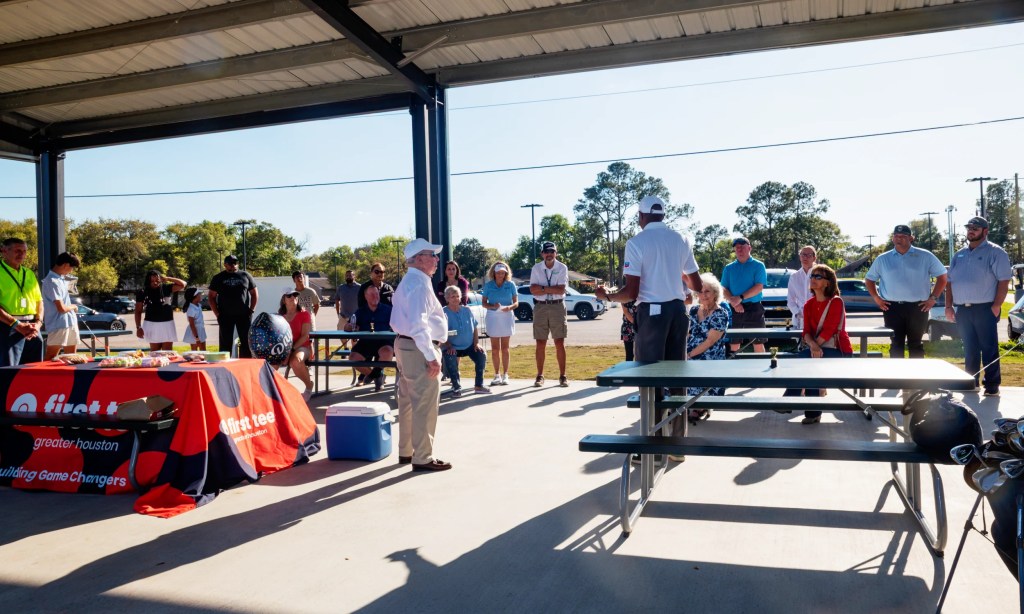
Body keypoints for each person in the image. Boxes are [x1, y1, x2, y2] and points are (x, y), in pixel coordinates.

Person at [391, 238, 451, 472]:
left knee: (407, 401)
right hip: (418, 348)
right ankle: (423, 456)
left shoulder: (410, 281)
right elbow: (419, 324)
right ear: (418, 259)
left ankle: (406, 451)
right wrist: (431, 356)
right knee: (424, 403)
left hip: (406, 345)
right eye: (431, 255)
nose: (436, 259)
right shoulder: (419, 284)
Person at [945, 216, 1012, 396]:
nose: (971, 231)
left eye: (975, 228)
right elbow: (949, 282)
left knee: (989, 348)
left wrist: (997, 305)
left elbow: (1004, 281)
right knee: (969, 348)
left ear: (985, 231)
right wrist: (948, 306)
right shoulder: (959, 255)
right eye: (969, 228)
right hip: (963, 309)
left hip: (985, 308)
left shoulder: (996, 252)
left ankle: (992, 386)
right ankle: (971, 382)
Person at [864, 224, 947, 359]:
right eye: (896, 236)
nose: (899, 239)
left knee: (916, 344)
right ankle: (897, 373)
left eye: (903, 236)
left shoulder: (925, 256)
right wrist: (876, 297)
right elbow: (869, 280)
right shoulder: (882, 259)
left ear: (911, 238)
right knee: (896, 344)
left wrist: (933, 298)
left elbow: (942, 277)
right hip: (892, 307)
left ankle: (916, 373)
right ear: (892, 238)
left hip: (918, 307)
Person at [797, 264, 853, 424]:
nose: (813, 279)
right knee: (809, 365)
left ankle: (791, 397)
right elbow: (806, 332)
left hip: (839, 350)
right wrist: (813, 346)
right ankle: (812, 413)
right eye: (812, 276)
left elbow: (830, 330)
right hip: (816, 350)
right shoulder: (808, 304)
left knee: (805, 360)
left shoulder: (836, 302)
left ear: (828, 282)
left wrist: (815, 347)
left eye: (818, 276)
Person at [685, 273, 730, 422]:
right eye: (700, 291)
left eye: (707, 291)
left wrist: (689, 355)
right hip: (690, 353)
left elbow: (710, 342)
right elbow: (687, 334)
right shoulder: (693, 310)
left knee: (692, 366)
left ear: (715, 293)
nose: (703, 295)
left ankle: (698, 406)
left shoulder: (720, 314)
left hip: (710, 357)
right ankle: (677, 405)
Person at [529, 241, 570, 387]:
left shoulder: (562, 268)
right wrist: (550, 288)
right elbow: (532, 290)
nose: (549, 254)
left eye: (552, 251)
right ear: (542, 254)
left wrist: (542, 288)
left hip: (557, 306)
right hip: (540, 307)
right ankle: (540, 376)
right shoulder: (536, 268)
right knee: (540, 342)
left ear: (556, 253)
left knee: (559, 342)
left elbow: (561, 289)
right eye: (546, 252)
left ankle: (563, 376)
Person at [441, 285, 490, 397]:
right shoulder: (443, 313)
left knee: (481, 354)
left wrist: (476, 343)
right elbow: (441, 333)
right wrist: (448, 345)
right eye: (452, 296)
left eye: (457, 296)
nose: (455, 299)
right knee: (450, 356)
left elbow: (475, 327)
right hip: (451, 347)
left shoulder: (467, 310)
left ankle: (479, 385)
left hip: (469, 346)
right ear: (447, 298)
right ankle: (456, 388)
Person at [0, 238, 43, 366]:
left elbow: (39, 301)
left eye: (24, 251)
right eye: (17, 251)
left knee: (34, 370)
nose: (21, 254)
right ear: (4, 251)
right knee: (9, 370)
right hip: (8, 327)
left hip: (32, 327)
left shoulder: (29, 273)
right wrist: (17, 325)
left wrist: (38, 323)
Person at [721, 236, 767, 353]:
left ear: (749, 248)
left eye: (742, 247)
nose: (739, 250)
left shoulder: (758, 265)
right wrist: (735, 303)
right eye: (737, 248)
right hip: (734, 308)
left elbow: (759, 287)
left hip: (754, 308)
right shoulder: (729, 268)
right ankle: (734, 364)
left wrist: (740, 298)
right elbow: (723, 288)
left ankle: (761, 364)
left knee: (758, 342)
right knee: (734, 342)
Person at [345, 284, 394, 391]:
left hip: (384, 342)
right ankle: (376, 376)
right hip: (366, 342)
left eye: (377, 294)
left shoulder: (388, 310)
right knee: (353, 358)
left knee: (388, 353)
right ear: (366, 296)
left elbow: (399, 325)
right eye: (372, 294)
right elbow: (348, 326)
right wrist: (350, 326)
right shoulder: (360, 311)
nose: (375, 296)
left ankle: (375, 374)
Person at [208, 255, 258, 358]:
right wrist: (217, 314)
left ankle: (246, 364)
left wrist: (251, 310)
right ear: (225, 265)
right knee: (225, 344)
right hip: (225, 315)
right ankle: (224, 364)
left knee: (246, 342)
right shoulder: (218, 278)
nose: (233, 265)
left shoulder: (245, 275)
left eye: (235, 263)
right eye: (230, 263)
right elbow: (211, 297)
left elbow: (254, 293)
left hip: (244, 315)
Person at [481, 261, 517, 386]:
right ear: (494, 273)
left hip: (507, 316)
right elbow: (484, 303)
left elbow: (516, 303)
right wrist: (492, 306)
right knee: (495, 349)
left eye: (503, 273)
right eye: (498, 273)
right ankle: (497, 375)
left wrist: (509, 307)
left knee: (505, 348)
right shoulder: (488, 285)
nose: (500, 275)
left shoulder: (511, 285)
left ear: (506, 273)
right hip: (493, 316)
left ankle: (506, 374)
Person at [41, 251, 80, 361]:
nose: (71, 271)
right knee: (51, 357)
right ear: (66, 265)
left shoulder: (61, 279)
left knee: (72, 357)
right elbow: (61, 308)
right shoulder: (51, 281)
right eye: (72, 267)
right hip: (58, 325)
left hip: (70, 322)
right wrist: (73, 306)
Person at [135, 270, 185, 351]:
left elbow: (183, 284)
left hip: (167, 323)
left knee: (167, 353)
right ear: (148, 281)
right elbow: (138, 311)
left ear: (160, 279)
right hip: (152, 324)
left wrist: (168, 278)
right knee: (155, 353)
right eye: (152, 281)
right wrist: (138, 327)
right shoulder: (143, 292)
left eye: (157, 280)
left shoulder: (166, 288)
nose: (155, 283)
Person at [279, 289, 314, 401]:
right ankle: (274, 392)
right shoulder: (280, 317)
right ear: (284, 300)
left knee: (296, 361)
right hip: (284, 348)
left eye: (295, 295)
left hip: (302, 347)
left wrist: (291, 349)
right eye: (289, 295)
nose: (293, 297)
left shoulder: (304, 314)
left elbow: (305, 336)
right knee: (269, 363)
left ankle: (309, 386)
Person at [787, 245, 817, 330]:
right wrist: (798, 313)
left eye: (809, 255)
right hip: (799, 321)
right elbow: (790, 300)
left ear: (814, 258)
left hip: (817, 319)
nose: (805, 257)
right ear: (800, 257)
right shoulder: (794, 276)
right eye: (803, 254)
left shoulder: (821, 274)